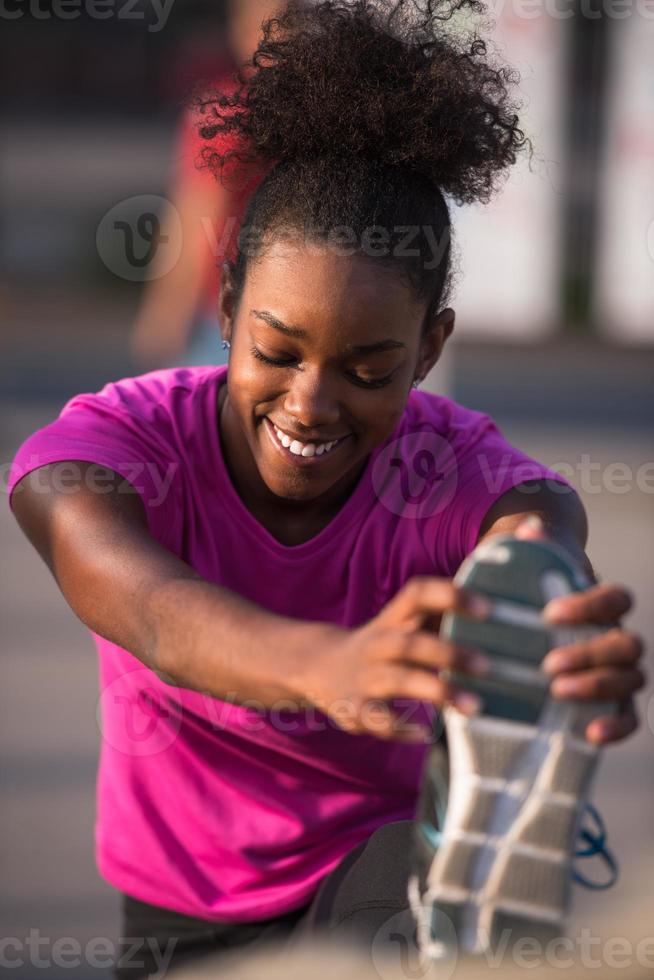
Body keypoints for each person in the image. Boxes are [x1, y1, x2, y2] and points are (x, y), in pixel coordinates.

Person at [7, 1, 645, 978]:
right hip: (180, 898)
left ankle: (448, 901)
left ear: (431, 347)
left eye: (369, 365)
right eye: (278, 349)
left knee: (396, 916)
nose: (311, 400)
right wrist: (324, 665)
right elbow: (145, 602)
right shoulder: (125, 439)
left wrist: (540, 608)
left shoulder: (444, 467)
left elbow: (534, 513)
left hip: (373, 863)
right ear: (226, 305)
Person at [129, 0, 282, 369]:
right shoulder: (230, 114)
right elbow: (194, 213)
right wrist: (167, 307)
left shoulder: (225, 110)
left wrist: (165, 310)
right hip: (235, 309)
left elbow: (192, 213)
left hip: (233, 312)